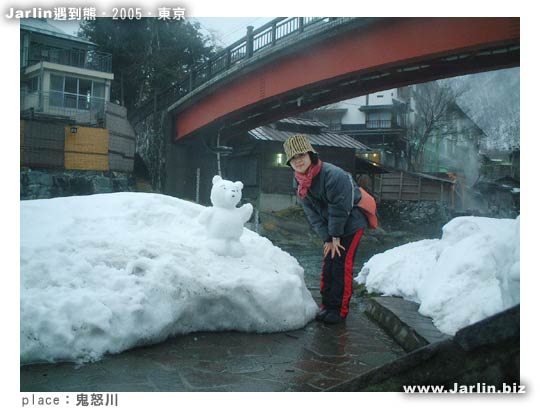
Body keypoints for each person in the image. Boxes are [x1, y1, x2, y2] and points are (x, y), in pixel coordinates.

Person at [283, 134, 368, 325]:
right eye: (293, 158)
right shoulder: (299, 181)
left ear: (311, 155)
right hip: (332, 226)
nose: (298, 161)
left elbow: (339, 207)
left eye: (301, 155)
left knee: (340, 265)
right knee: (328, 264)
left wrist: (336, 235)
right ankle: (327, 306)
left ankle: (339, 310)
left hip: (351, 223)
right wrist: (327, 237)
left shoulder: (333, 175)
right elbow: (312, 214)